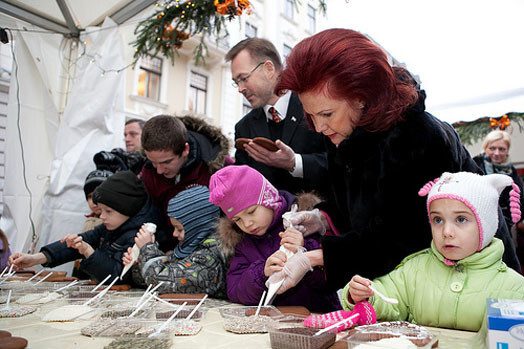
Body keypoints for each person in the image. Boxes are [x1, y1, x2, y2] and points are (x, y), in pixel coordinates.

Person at [276, 28, 520, 292]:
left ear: (362, 97)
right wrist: (321, 219)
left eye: (326, 113)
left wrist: (315, 258)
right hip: (404, 286)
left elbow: (406, 234)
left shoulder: (418, 134)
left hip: (473, 280)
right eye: (311, 116)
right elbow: (359, 206)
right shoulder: (342, 130)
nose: (319, 126)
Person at [332, 172, 524, 332]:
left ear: (486, 226)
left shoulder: (514, 289)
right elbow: (388, 298)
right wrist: (365, 295)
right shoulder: (413, 271)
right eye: (438, 220)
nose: (447, 232)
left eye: (461, 220)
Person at [209, 165, 340, 313]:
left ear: (268, 198)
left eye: (251, 211)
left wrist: (305, 250)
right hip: (273, 324)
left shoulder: (304, 223)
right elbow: (235, 291)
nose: (247, 224)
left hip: (320, 318)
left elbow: (332, 279)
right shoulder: (244, 243)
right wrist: (261, 273)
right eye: (237, 219)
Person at [8, 171, 164, 284]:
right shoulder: (113, 225)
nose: (101, 216)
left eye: (108, 211)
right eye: (100, 210)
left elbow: (117, 276)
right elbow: (81, 241)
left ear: (128, 208)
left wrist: (88, 251)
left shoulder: (141, 235)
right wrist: (36, 258)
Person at [226, 38, 330, 198]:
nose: (240, 89)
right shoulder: (243, 128)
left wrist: (295, 163)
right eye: (236, 82)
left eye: (244, 78)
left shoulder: (314, 107)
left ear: (269, 68)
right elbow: (245, 186)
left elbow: (343, 164)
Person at [140, 114, 230, 251]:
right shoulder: (148, 171)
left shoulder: (218, 168)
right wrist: (164, 248)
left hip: (208, 253)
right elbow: (152, 214)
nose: (158, 170)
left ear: (185, 150)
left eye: (166, 162)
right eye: (153, 162)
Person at [124, 185, 227, 297]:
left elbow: (162, 282)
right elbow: (157, 276)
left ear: (197, 226)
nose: (174, 234)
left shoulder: (209, 258)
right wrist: (139, 261)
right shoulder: (189, 249)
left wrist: (147, 250)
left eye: (179, 229)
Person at [473, 130, 524, 268]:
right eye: (492, 148)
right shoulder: (474, 165)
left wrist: (509, 220)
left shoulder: (510, 170)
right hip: (478, 225)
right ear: (485, 147)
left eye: (502, 149)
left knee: (506, 262)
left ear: (507, 150)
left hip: (505, 225)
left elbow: (520, 200)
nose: (497, 153)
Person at [72, 169, 113, 280]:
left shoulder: (112, 224)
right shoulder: (90, 221)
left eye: (97, 196)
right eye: (90, 197)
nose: (94, 202)